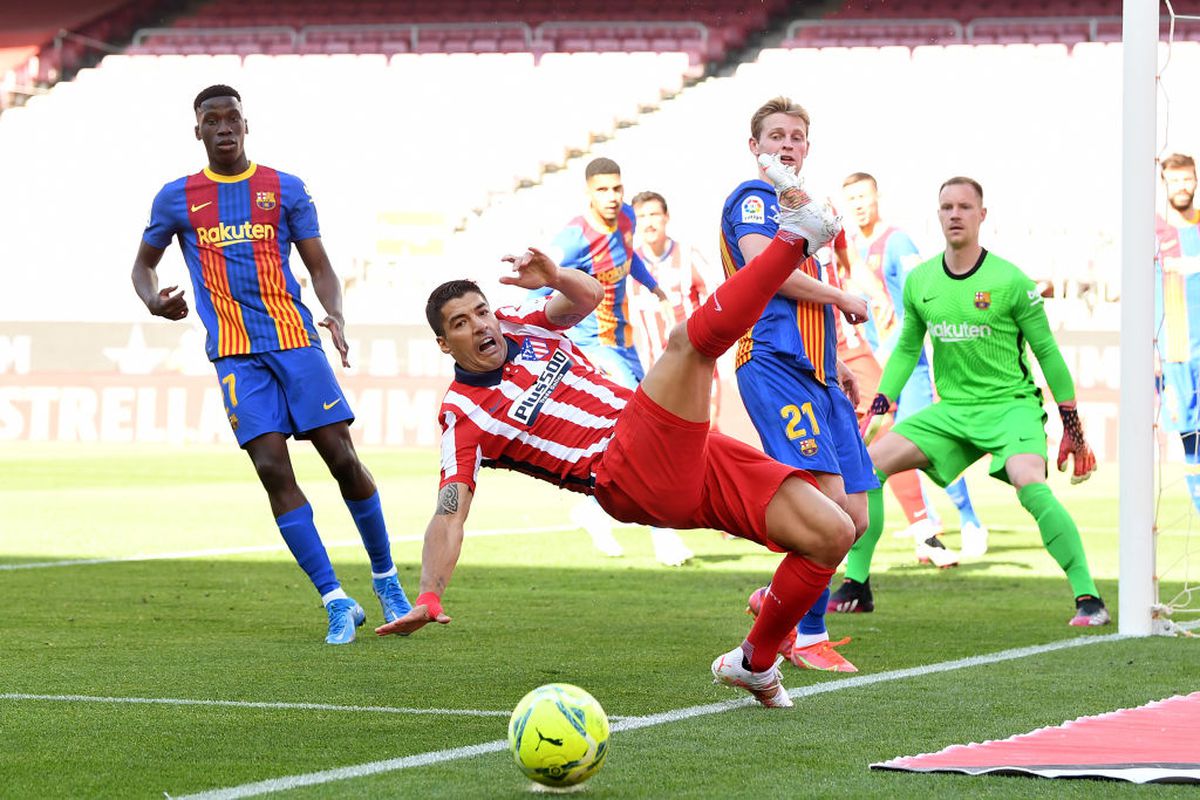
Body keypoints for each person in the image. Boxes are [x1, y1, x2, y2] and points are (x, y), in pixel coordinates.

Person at [377, 155, 855, 708]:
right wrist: (430, 594)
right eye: (461, 324)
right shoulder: (462, 414)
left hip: (677, 450)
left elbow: (588, 298)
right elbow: (449, 511)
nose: (480, 325)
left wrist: (555, 275)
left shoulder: (522, 323)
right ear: (444, 344)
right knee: (688, 343)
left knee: (832, 533)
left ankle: (755, 661)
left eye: (480, 311)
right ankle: (796, 239)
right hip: (622, 470)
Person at [130, 85, 412, 645]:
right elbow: (142, 266)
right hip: (235, 354)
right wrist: (153, 301)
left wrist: (336, 314)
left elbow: (321, 266)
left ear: (246, 124)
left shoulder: (284, 188)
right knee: (271, 469)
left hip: (295, 341)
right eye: (212, 120)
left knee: (342, 458)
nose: (224, 127)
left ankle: (387, 580)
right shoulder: (176, 198)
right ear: (197, 131)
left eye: (232, 117)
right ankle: (335, 599)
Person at [855, 176, 1108, 626]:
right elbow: (907, 349)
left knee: (1030, 483)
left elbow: (1047, 354)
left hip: (1011, 407)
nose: (955, 214)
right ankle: (856, 586)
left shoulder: (1010, 281)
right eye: (947, 207)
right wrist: (880, 406)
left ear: (982, 215)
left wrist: (1073, 429)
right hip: (952, 412)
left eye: (965, 207)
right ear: (938, 214)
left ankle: (1088, 598)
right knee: (868, 466)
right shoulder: (921, 281)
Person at [719, 97, 874, 673]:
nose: (787, 145)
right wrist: (842, 297)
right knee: (827, 508)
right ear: (755, 146)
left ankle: (775, 600)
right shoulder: (755, 199)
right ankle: (806, 635)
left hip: (820, 374)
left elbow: (806, 295)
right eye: (776, 136)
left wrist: (837, 364)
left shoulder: (806, 211)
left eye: (797, 137)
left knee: (855, 517)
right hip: (773, 364)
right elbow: (767, 269)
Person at [829, 173, 990, 605]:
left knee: (922, 449)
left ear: (877, 197)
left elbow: (925, 298)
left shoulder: (897, 243)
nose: (858, 205)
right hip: (872, 367)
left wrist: (906, 344)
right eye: (851, 198)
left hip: (908, 366)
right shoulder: (851, 248)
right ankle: (921, 530)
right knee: (877, 453)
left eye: (864, 196)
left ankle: (967, 519)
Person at [542, 158, 692, 566]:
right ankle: (663, 536)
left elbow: (628, 259)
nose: (611, 197)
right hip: (594, 346)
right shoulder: (574, 237)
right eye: (602, 190)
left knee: (634, 435)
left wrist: (655, 289)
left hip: (626, 343)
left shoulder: (626, 218)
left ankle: (591, 509)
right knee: (648, 430)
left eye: (616, 188)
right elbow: (540, 280)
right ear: (588, 192)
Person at [629, 190, 722, 428]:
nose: (649, 223)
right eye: (641, 217)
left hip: (696, 365)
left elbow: (718, 302)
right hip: (655, 374)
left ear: (666, 217)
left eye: (654, 214)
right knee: (664, 437)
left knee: (708, 432)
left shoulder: (689, 256)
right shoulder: (627, 266)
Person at [1155, 153, 1200, 514]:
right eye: (1175, 180)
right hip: (1178, 354)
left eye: (1188, 179)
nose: (1183, 187)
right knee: (1191, 441)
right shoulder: (1153, 233)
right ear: (1164, 184)